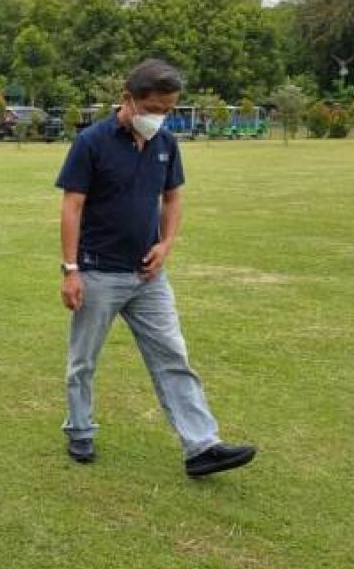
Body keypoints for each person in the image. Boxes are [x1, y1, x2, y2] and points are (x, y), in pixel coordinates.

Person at [55, 59, 256, 477]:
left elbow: (173, 198)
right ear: (128, 99)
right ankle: (80, 431)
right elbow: (72, 205)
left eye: (168, 110)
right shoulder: (92, 143)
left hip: (148, 276)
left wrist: (166, 244)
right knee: (83, 360)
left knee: (172, 355)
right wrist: (70, 268)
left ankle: (202, 446)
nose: (160, 118)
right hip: (97, 272)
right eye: (154, 108)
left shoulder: (166, 144)